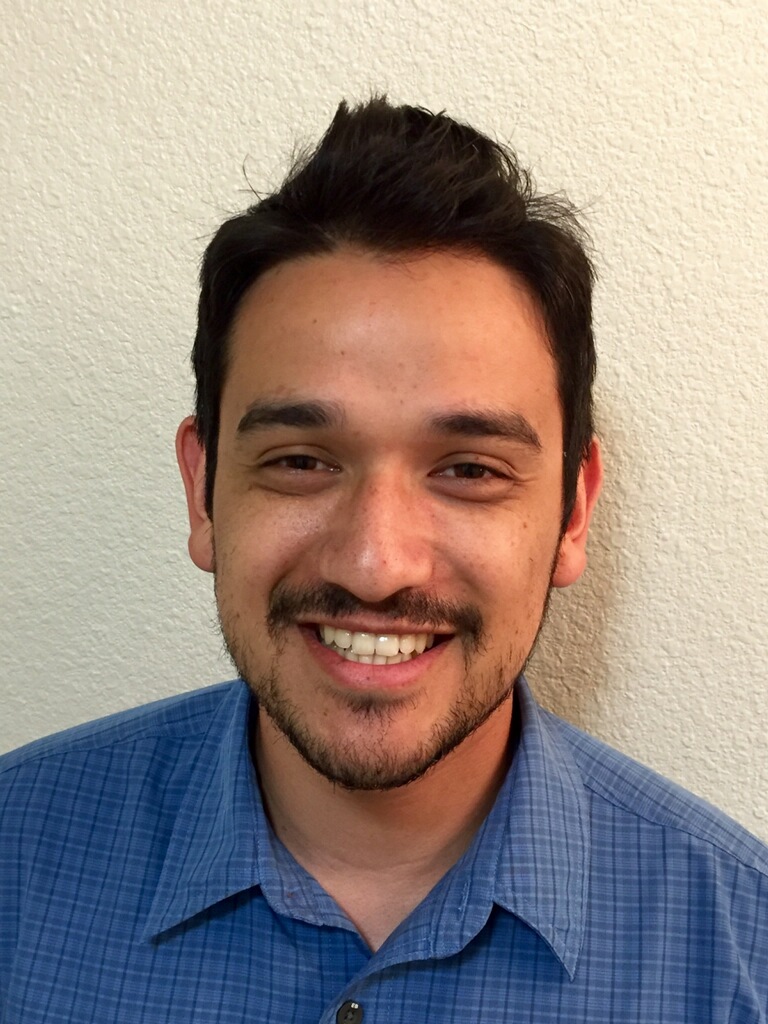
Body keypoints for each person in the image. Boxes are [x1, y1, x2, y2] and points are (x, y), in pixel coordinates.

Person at [1, 97, 766, 1023]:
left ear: (573, 511)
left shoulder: (743, 957)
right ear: (203, 491)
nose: (375, 565)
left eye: (469, 470)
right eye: (301, 462)